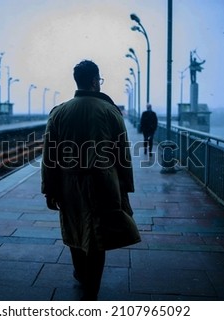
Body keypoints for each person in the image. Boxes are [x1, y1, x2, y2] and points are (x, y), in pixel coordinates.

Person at [41, 60, 140, 300]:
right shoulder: (109, 111)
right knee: (98, 235)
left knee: (74, 230)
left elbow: (49, 155)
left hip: (69, 184)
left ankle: (81, 273)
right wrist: (125, 187)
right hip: (104, 183)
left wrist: (49, 189)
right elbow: (122, 154)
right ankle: (92, 285)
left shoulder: (60, 112)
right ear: (95, 81)